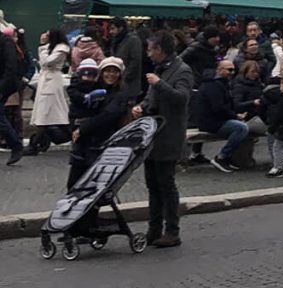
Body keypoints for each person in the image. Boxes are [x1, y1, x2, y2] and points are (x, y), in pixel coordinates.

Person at [132, 29, 193, 248]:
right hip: (152, 136)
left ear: (160, 49)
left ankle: (172, 231)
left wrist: (159, 84)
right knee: (153, 185)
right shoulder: (159, 69)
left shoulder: (182, 70)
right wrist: (141, 107)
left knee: (166, 185)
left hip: (169, 136)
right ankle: (154, 229)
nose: (148, 54)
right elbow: (151, 99)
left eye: (150, 49)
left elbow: (181, 99)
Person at [67, 57, 132, 190]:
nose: (111, 74)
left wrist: (82, 128)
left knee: (91, 186)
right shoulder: (92, 89)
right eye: (107, 71)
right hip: (84, 143)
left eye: (115, 71)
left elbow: (107, 116)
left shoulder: (120, 95)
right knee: (74, 184)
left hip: (101, 144)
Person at [194, 59, 250, 173]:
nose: (232, 72)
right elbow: (218, 108)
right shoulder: (212, 85)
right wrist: (235, 116)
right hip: (211, 122)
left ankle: (231, 157)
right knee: (241, 128)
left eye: (234, 70)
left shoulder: (223, 83)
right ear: (219, 70)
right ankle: (221, 157)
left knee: (243, 126)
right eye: (229, 69)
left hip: (217, 119)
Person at [27, 27, 71, 155]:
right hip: (46, 80)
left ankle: (36, 143)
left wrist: (42, 46)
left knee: (45, 112)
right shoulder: (54, 47)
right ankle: (39, 141)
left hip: (51, 82)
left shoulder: (61, 48)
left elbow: (47, 62)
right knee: (45, 112)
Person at [0, 26, 24, 164]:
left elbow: (11, 67)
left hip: (4, 84)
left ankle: (16, 144)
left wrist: (2, 88)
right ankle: (15, 145)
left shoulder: (6, 42)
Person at [107, 18, 143, 101]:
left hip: (129, 83)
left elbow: (135, 61)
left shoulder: (133, 40)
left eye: (113, 28)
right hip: (116, 82)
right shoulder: (115, 41)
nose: (110, 32)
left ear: (121, 28)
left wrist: (124, 77)